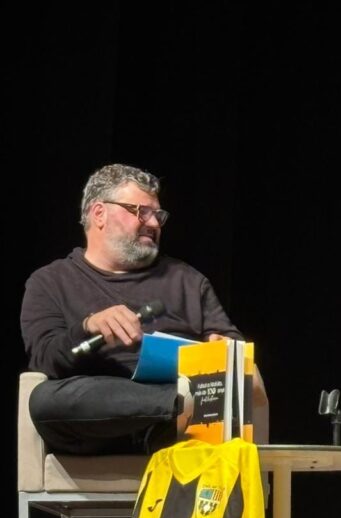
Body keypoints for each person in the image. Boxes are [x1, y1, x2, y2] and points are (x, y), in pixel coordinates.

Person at [21, 163, 257, 455]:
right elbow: (45, 358)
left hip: (179, 424)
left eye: (158, 215)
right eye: (141, 212)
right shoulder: (50, 281)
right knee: (43, 400)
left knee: (219, 393)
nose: (154, 223)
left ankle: (173, 410)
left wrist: (224, 350)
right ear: (99, 213)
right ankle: (174, 404)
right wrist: (88, 326)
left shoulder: (187, 281)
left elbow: (236, 354)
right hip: (98, 421)